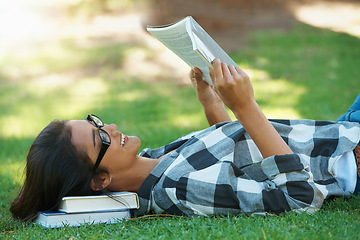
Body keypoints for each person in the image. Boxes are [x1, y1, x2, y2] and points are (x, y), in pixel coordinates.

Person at [10, 59, 360, 222]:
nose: (112, 128)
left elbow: (243, 159)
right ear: (100, 180)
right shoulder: (179, 188)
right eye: (100, 137)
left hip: (340, 132)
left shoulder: (153, 164)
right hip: (351, 158)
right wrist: (244, 105)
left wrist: (211, 104)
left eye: (96, 122)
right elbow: (298, 197)